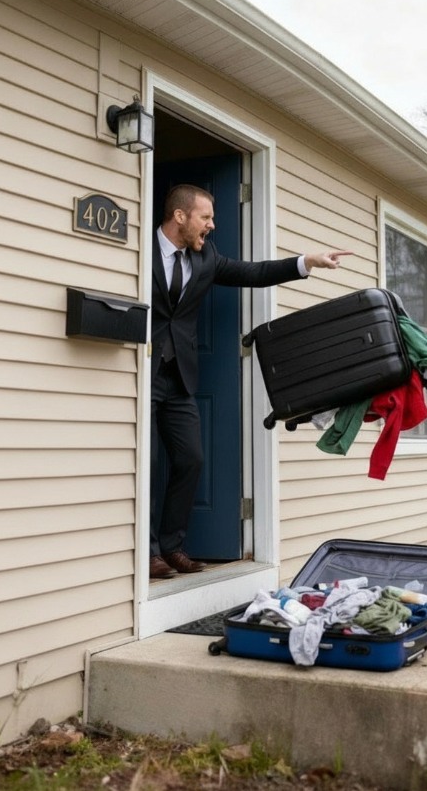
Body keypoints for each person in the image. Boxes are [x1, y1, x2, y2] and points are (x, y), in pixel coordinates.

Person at [150, 183, 352, 579]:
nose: (212, 225)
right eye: (205, 217)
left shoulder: (206, 257)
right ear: (180, 216)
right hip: (144, 368)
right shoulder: (141, 246)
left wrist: (306, 261)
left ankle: (172, 546)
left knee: (191, 459)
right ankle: (150, 553)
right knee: (148, 463)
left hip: (181, 377)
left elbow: (253, 272)